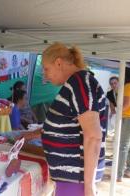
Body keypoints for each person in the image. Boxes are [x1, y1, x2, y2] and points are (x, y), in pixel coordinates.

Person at [41, 43, 106, 196]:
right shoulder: (76, 83)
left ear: (58, 63)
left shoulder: (80, 83)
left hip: (77, 180)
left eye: (46, 68)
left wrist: (89, 188)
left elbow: (93, 136)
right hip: (72, 179)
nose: (45, 74)